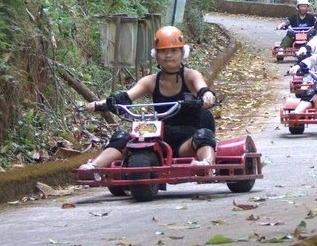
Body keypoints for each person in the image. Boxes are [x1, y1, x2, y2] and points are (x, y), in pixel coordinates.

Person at [77, 26, 218, 172]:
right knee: (122, 137)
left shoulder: (191, 76)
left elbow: (203, 88)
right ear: (155, 55)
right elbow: (126, 96)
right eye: (163, 51)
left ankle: (207, 163)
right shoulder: (150, 81)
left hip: (187, 143)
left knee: (204, 135)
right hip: (160, 138)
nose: (168, 55)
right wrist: (102, 104)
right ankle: (93, 167)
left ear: (183, 53)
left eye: (174, 50)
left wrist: (207, 95)